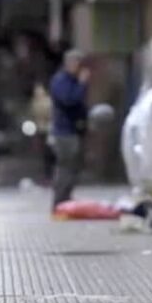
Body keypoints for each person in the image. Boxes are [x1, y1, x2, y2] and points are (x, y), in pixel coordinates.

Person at [49, 49, 90, 211]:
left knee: (72, 169)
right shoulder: (61, 81)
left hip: (73, 131)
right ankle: (59, 201)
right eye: (76, 64)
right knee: (65, 168)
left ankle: (65, 200)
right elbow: (69, 100)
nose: (78, 68)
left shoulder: (72, 81)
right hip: (63, 133)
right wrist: (81, 84)